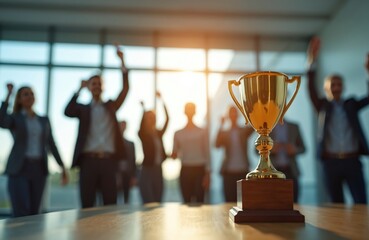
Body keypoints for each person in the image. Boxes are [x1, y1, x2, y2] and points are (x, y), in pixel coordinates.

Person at [64, 45, 129, 208]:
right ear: (89, 87)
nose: (96, 86)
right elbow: (67, 111)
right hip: (88, 162)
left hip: (109, 161)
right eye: (93, 84)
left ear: (103, 86)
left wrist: (122, 61)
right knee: (87, 204)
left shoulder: (111, 106)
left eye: (99, 83)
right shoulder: (83, 109)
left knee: (110, 204)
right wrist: (78, 89)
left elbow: (125, 89)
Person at [307, 37, 369, 204]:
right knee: (336, 206)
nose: (336, 88)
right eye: (332, 85)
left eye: (339, 84)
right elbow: (311, 89)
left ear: (343, 87)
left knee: (361, 203)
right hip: (331, 163)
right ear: (327, 88)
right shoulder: (322, 106)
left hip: (353, 162)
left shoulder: (351, 105)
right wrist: (312, 61)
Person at [0, 83, 68, 217]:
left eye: (32, 93)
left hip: (39, 169)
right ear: (19, 99)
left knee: (34, 212)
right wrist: (8, 96)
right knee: (21, 211)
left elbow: (51, 144)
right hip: (20, 168)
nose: (30, 96)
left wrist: (62, 166)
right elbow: (1, 121)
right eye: (26, 94)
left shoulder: (43, 120)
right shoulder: (15, 118)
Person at [172, 102, 210, 204]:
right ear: (184, 112)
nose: (189, 111)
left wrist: (207, 174)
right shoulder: (178, 133)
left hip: (199, 170)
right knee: (186, 202)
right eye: (187, 109)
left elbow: (207, 152)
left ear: (195, 112)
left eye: (191, 109)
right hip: (185, 170)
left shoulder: (202, 132)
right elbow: (174, 154)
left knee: (200, 202)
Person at [215, 106, 254, 202]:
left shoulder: (243, 131)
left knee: (244, 202)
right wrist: (221, 125)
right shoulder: (224, 133)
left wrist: (247, 113)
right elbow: (217, 144)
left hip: (243, 171)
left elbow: (253, 126)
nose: (233, 115)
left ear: (238, 115)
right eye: (231, 113)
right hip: (228, 172)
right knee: (229, 202)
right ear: (228, 116)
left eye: (235, 113)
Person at [138, 92, 169, 204]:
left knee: (158, 198)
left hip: (158, 169)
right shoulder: (143, 134)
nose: (151, 119)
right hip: (147, 169)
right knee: (148, 199)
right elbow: (141, 126)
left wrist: (162, 101)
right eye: (148, 118)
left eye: (152, 117)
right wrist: (143, 110)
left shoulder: (158, 133)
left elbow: (167, 119)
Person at [270, 119, 306, 202]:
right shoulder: (267, 127)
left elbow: (303, 148)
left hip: (291, 170)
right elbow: (256, 150)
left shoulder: (294, 126)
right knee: (274, 202)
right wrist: (270, 149)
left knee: (294, 202)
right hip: (273, 172)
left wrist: (295, 149)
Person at [117, 120, 137, 204]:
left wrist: (133, 176)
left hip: (127, 174)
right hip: (116, 174)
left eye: (124, 125)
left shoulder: (131, 144)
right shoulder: (113, 143)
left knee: (127, 198)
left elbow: (133, 161)